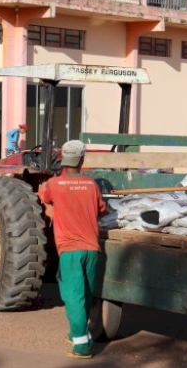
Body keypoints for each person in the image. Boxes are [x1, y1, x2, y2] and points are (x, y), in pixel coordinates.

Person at [37, 140, 107, 359]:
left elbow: (45, 197)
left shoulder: (55, 184)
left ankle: (82, 346)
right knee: (85, 295)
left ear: (63, 160)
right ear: (82, 160)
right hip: (92, 249)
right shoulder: (92, 185)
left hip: (70, 250)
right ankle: (78, 332)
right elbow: (101, 210)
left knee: (73, 297)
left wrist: (45, 199)